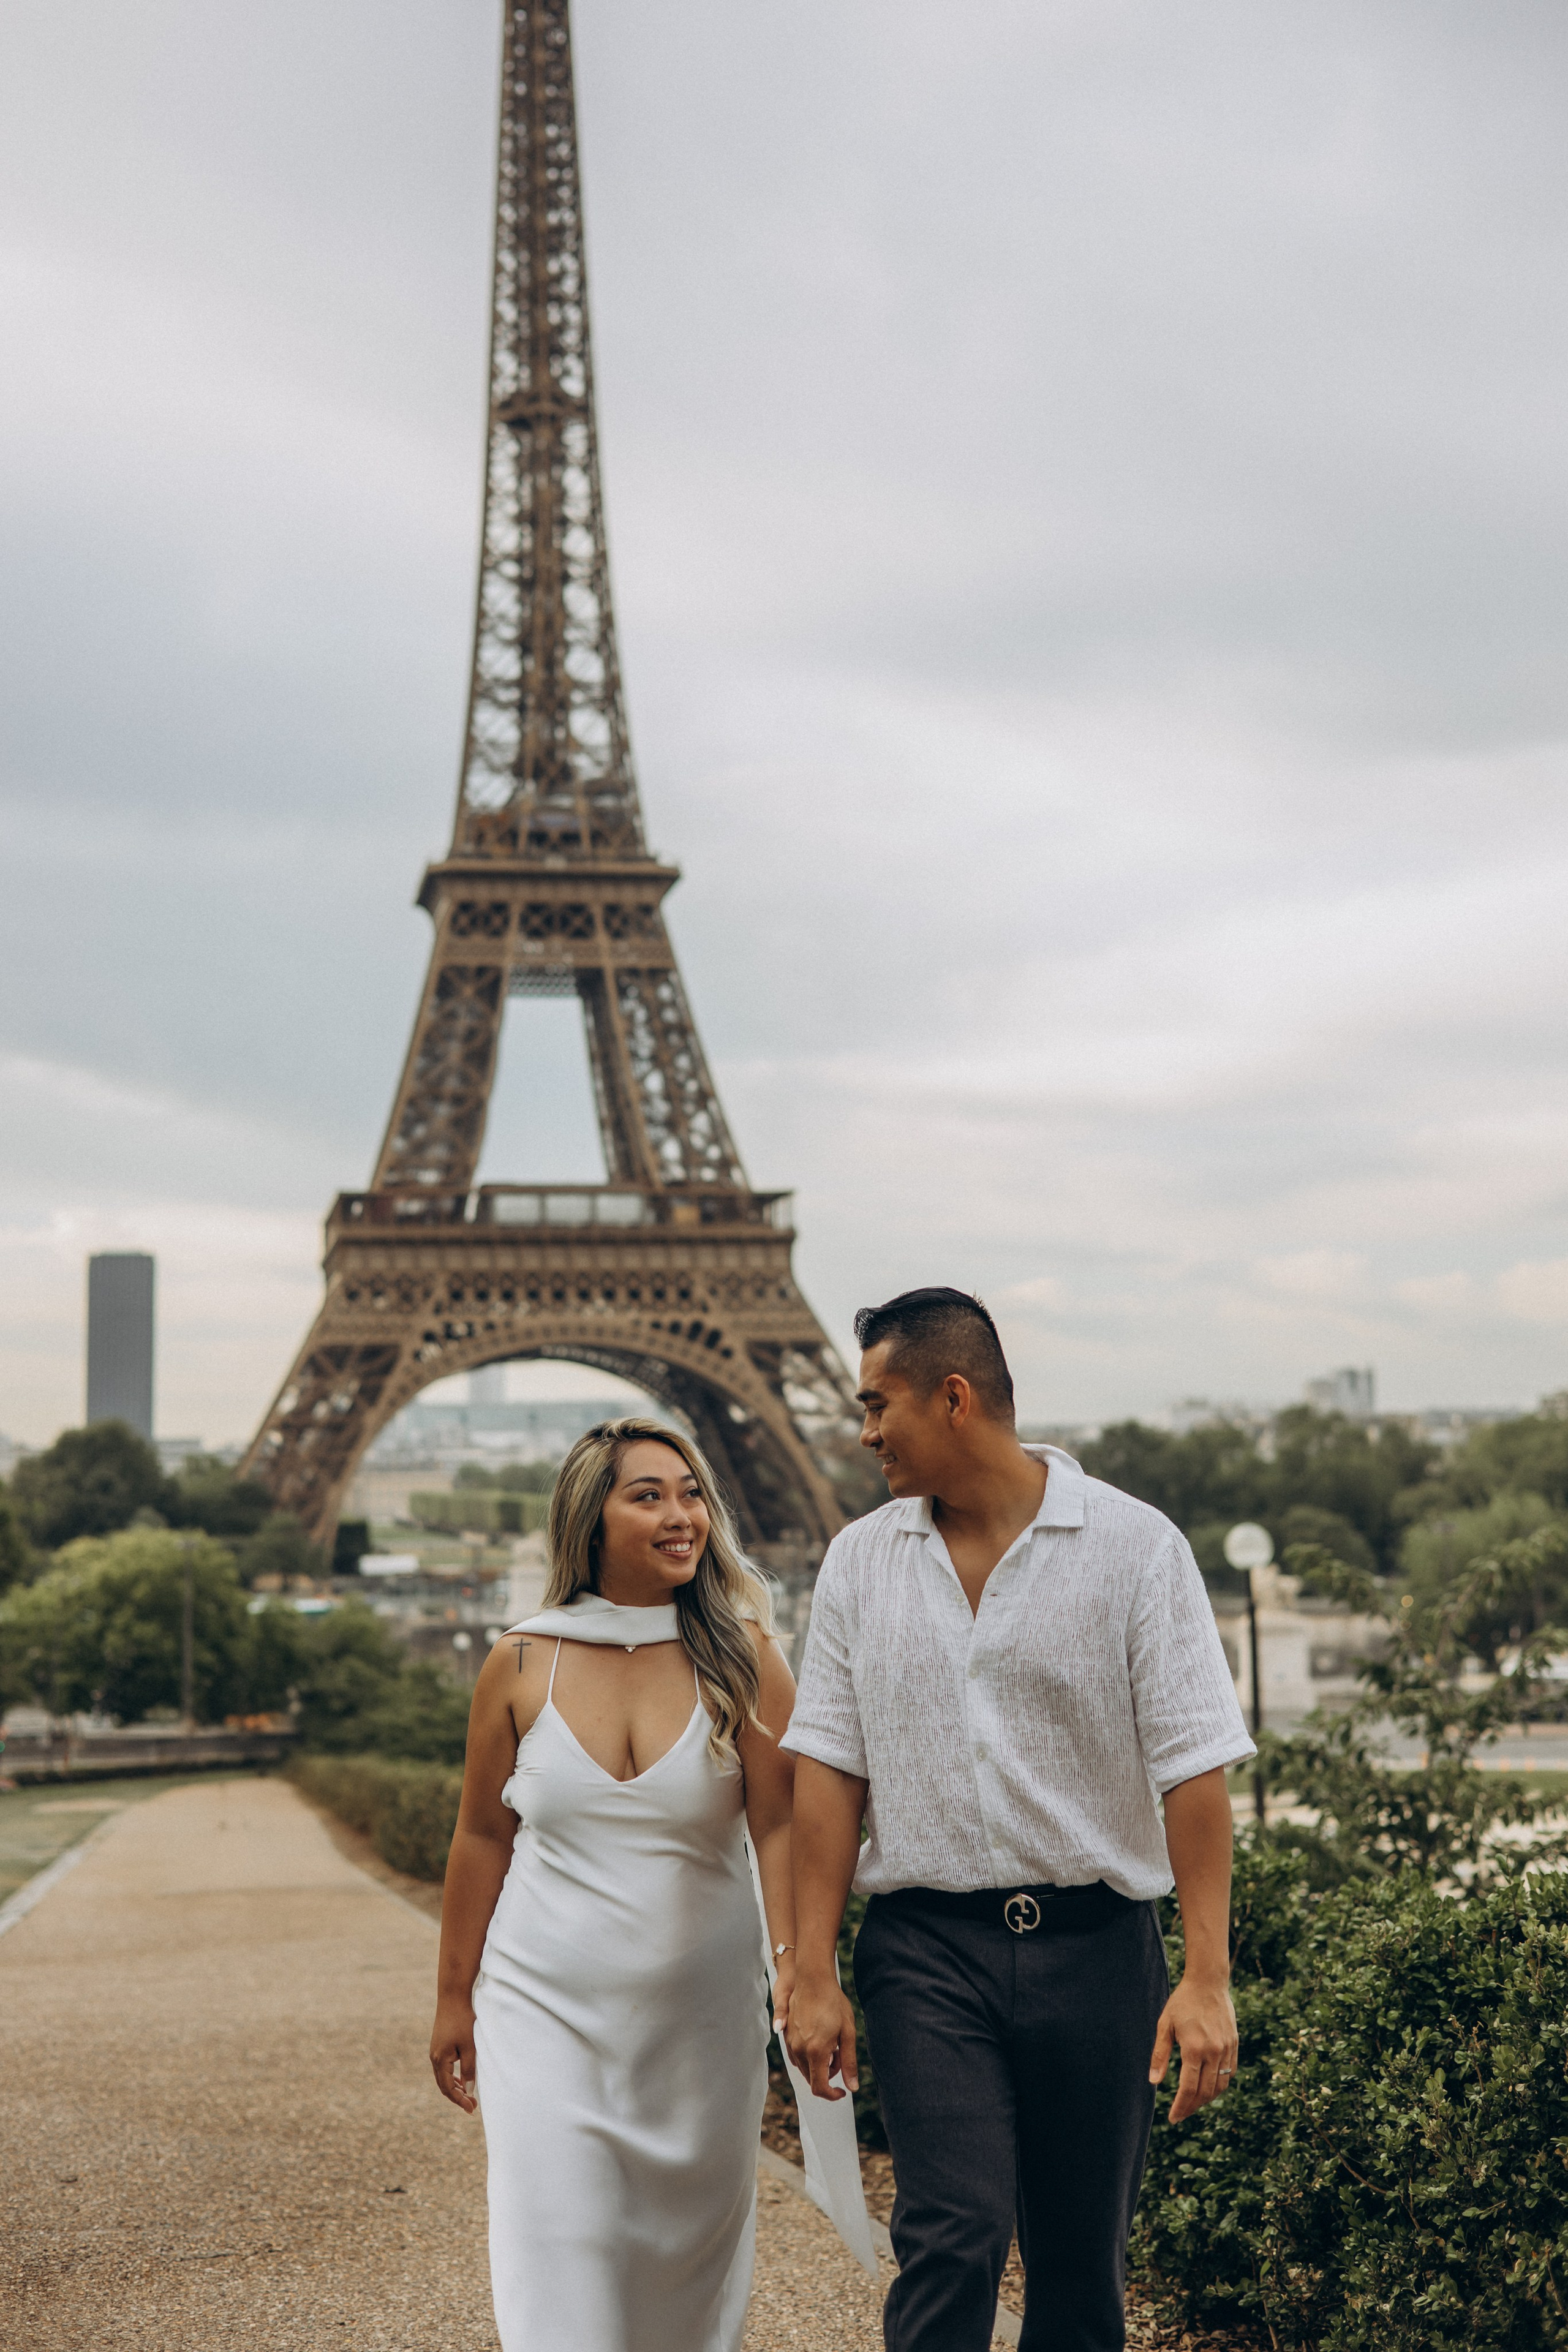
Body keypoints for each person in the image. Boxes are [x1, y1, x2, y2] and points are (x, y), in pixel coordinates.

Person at [783, 1288, 1257, 2352]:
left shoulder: (1137, 1548)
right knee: (952, 2235)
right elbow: (827, 1773)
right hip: (928, 1950)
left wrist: (1206, 1976)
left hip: (1099, 1952)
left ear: (954, 1398)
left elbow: (1194, 1775)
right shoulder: (860, 1560)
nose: (863, 1433)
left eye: (877, 1404)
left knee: (1083, 2271)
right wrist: (811, 1968)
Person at [429, 1415, 854, 2352]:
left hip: (697, 2030)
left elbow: (780, 1821)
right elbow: (480, 1837)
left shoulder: (744, 1656)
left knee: (681, 2284)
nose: (682, 1514)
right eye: (649, 1494)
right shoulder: (520, 1661)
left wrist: (797, 1967)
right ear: (590, 1520)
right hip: (543, 2013)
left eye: (692, 1492)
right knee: (561, 2251)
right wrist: (454, 1997)